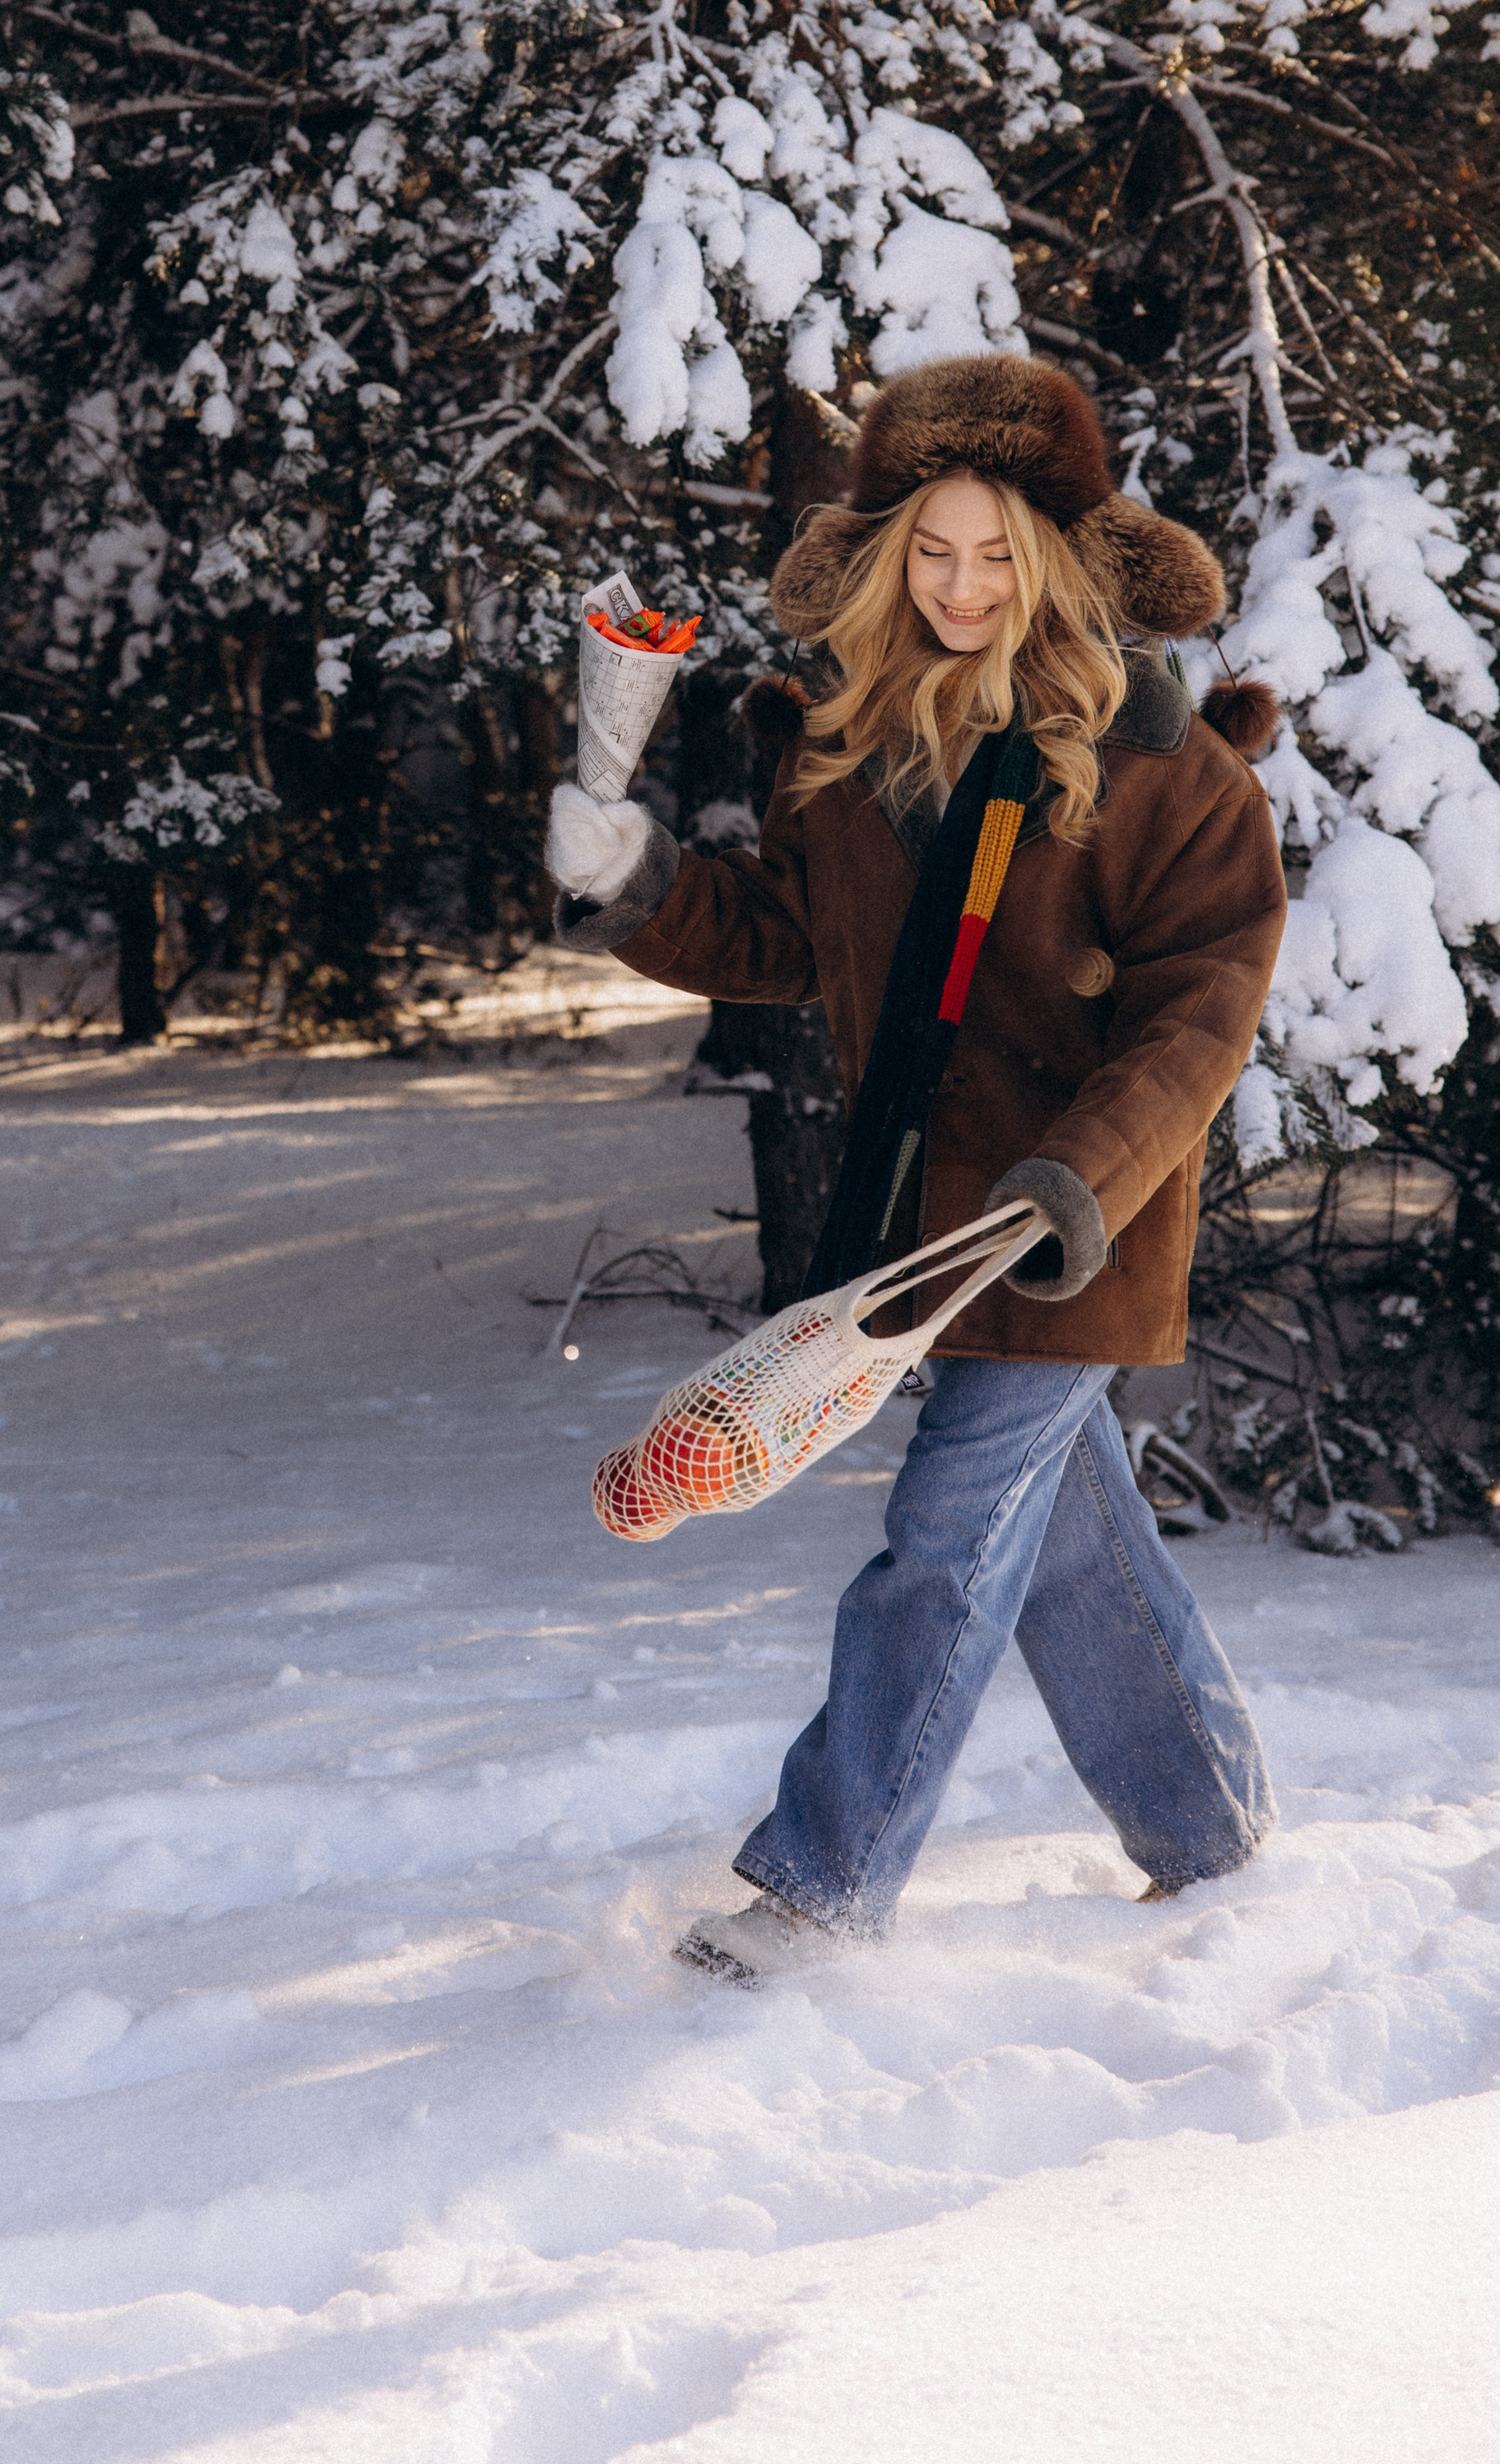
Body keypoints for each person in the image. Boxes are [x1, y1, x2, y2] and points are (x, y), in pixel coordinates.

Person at [546, 355, 1286, 1983]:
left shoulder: (1163, 762)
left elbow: (1197, 1011)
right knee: (1064, 1541)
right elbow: (783, 939)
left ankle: (820, 1880)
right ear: (890, 554)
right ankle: (1208, 1830)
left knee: (945, 1539)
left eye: (996, 553)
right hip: (915, 1219)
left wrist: (1070, 1180)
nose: (962, 586)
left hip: (1071, 1226)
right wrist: (637, 876)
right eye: (931, 551)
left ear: (1056, 556)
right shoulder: (859, 740)